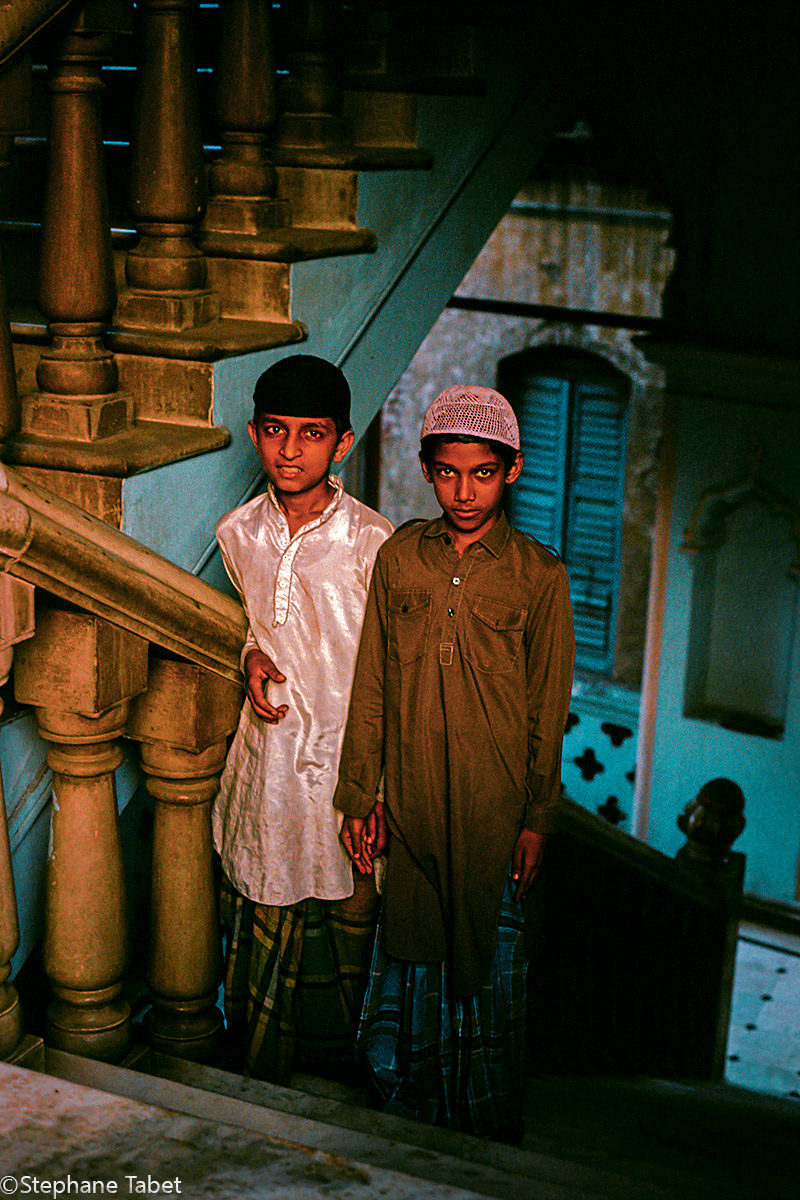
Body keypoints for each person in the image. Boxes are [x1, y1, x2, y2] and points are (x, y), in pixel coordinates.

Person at [332, 384, 575, 1140]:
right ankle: (409, 1129)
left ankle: (479, 1135)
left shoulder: (541, 578)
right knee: (413, 963)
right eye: (446, 473)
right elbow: (371, 682)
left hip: (492, 813)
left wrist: (537, 819)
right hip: (408, 805)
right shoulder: (401, 557)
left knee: (485, 968)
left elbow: (545, 711)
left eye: (480, 474)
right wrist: (358, 792)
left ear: (513, 471)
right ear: (427, 470)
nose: (462, 492)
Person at [212, 353, 393, 1084]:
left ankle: (338, 1085)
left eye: (311, 433)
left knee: (347, 929)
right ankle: (263, 1076)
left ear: (342, 444)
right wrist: (253, 657)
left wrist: (376, 787)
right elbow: (264, 623)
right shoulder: (238, 532)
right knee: (261, 907)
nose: (291, 450)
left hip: (347, 768)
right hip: (266, 768)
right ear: (255, 434)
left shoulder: (375, 543)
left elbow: (390, 672)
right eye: (276, 431)